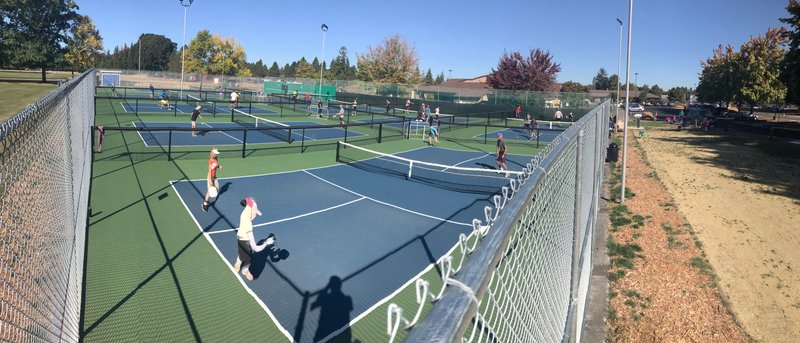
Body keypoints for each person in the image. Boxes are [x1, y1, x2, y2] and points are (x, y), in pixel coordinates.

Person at [233, 197, 276, 281]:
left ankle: (238, 262)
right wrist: (266, 243)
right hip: (245, 240)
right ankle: (245, 270)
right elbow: (256, 248)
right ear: (251, 212)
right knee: (249, 259)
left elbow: (251, 206)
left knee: (242, 253)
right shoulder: (248, 226)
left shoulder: (244, 214)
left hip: (239, 236)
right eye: (254, 213)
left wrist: (255, 212)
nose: (255, 215)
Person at [202, 148, 222, 212]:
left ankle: (212, 191)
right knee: (209, 191)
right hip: (210, 176)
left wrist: (219, 166)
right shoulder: (211, 161)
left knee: (218, 189)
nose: (217, 155)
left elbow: (216, 165)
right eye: (216, 154)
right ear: (213, 154)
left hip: (214, 176)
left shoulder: (215, 159)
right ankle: (204, 204)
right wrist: (210, 180)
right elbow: (210, 171)